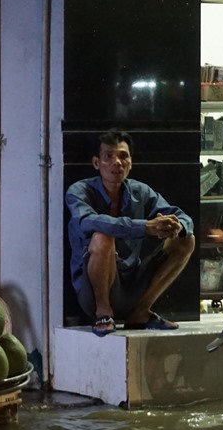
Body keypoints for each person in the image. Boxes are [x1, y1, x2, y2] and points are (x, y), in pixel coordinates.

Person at [66, 129, 195, 337]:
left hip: (132, 285)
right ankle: (103, 313)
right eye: (109, 156)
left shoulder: (140, 191)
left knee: (186, 240)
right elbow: (87, 221)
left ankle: (141, 312)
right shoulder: (79, 191)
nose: (117, 162)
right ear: (97, 163)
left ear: (131, 163)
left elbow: (181, 215)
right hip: (93, 292)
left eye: (123, 156)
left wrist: (177, 225)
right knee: (102, 236)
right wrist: (144, 226)